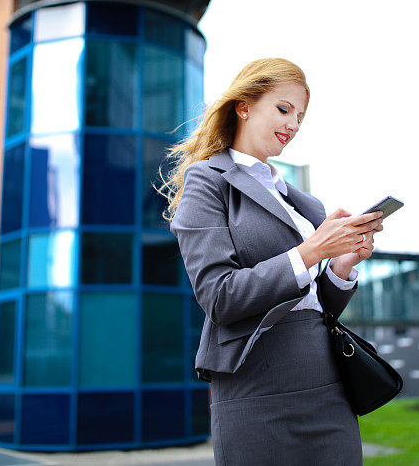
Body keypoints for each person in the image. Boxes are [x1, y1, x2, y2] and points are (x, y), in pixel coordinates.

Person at [158, 58, 384, 465]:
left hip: (327, 386)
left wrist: (341, 265)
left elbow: (315, 307)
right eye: (283, 109)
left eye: (300, 116)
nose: (293, 125)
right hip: (255, 387)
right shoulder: (207, 181)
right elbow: (219, 296)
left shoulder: (303, 202)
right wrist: (312, 249)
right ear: (243, 106)